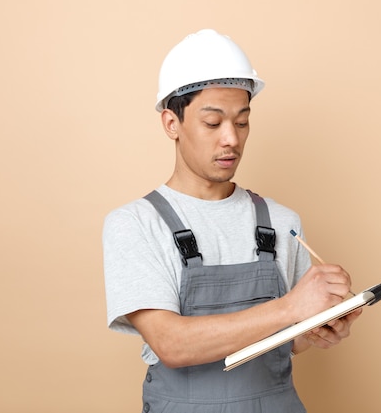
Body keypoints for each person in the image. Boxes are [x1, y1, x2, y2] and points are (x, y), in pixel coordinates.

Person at [103, 29, 362, 413]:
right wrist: (292, 307)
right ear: (171, 123)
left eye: (242, 122)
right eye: (213, 123)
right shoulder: (135, 224)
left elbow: (291, 340)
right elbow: (171, 344)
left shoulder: (281, 221)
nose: (231, 140)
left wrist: (319, 326)